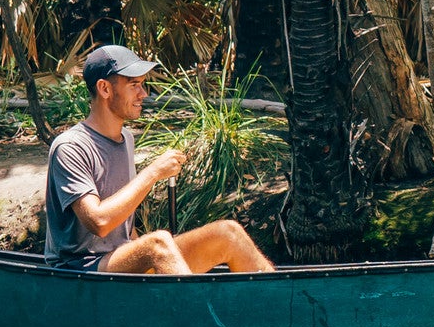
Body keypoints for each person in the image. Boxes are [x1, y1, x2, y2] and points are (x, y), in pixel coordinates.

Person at [46, 44, 275, 275]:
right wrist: (153, 172)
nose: (143, 94)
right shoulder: (70, 147)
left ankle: (283, 303)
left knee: (228, 233)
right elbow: (99, 222)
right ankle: (195, 309)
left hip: (117, 260)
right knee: (158, 244)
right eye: (134, 85)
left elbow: (123, 225)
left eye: (142, 84)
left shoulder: (125, 139)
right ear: (104, 89)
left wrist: (139, 251)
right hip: (82, 269)